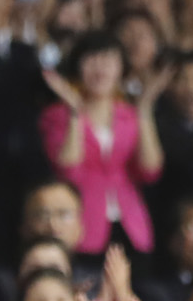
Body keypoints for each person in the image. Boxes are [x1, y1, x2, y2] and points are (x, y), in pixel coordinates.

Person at [40, 32, 164, 255]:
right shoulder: (57, 116)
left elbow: (150, 171)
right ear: (77, 67)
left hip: (131, 226)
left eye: (109, 60)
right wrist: (75, 113)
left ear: (122, 68)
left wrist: (144, 112)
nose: (100, 68)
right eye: (91, 59)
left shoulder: (130, 116)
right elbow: (68, 170)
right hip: (84, 224)